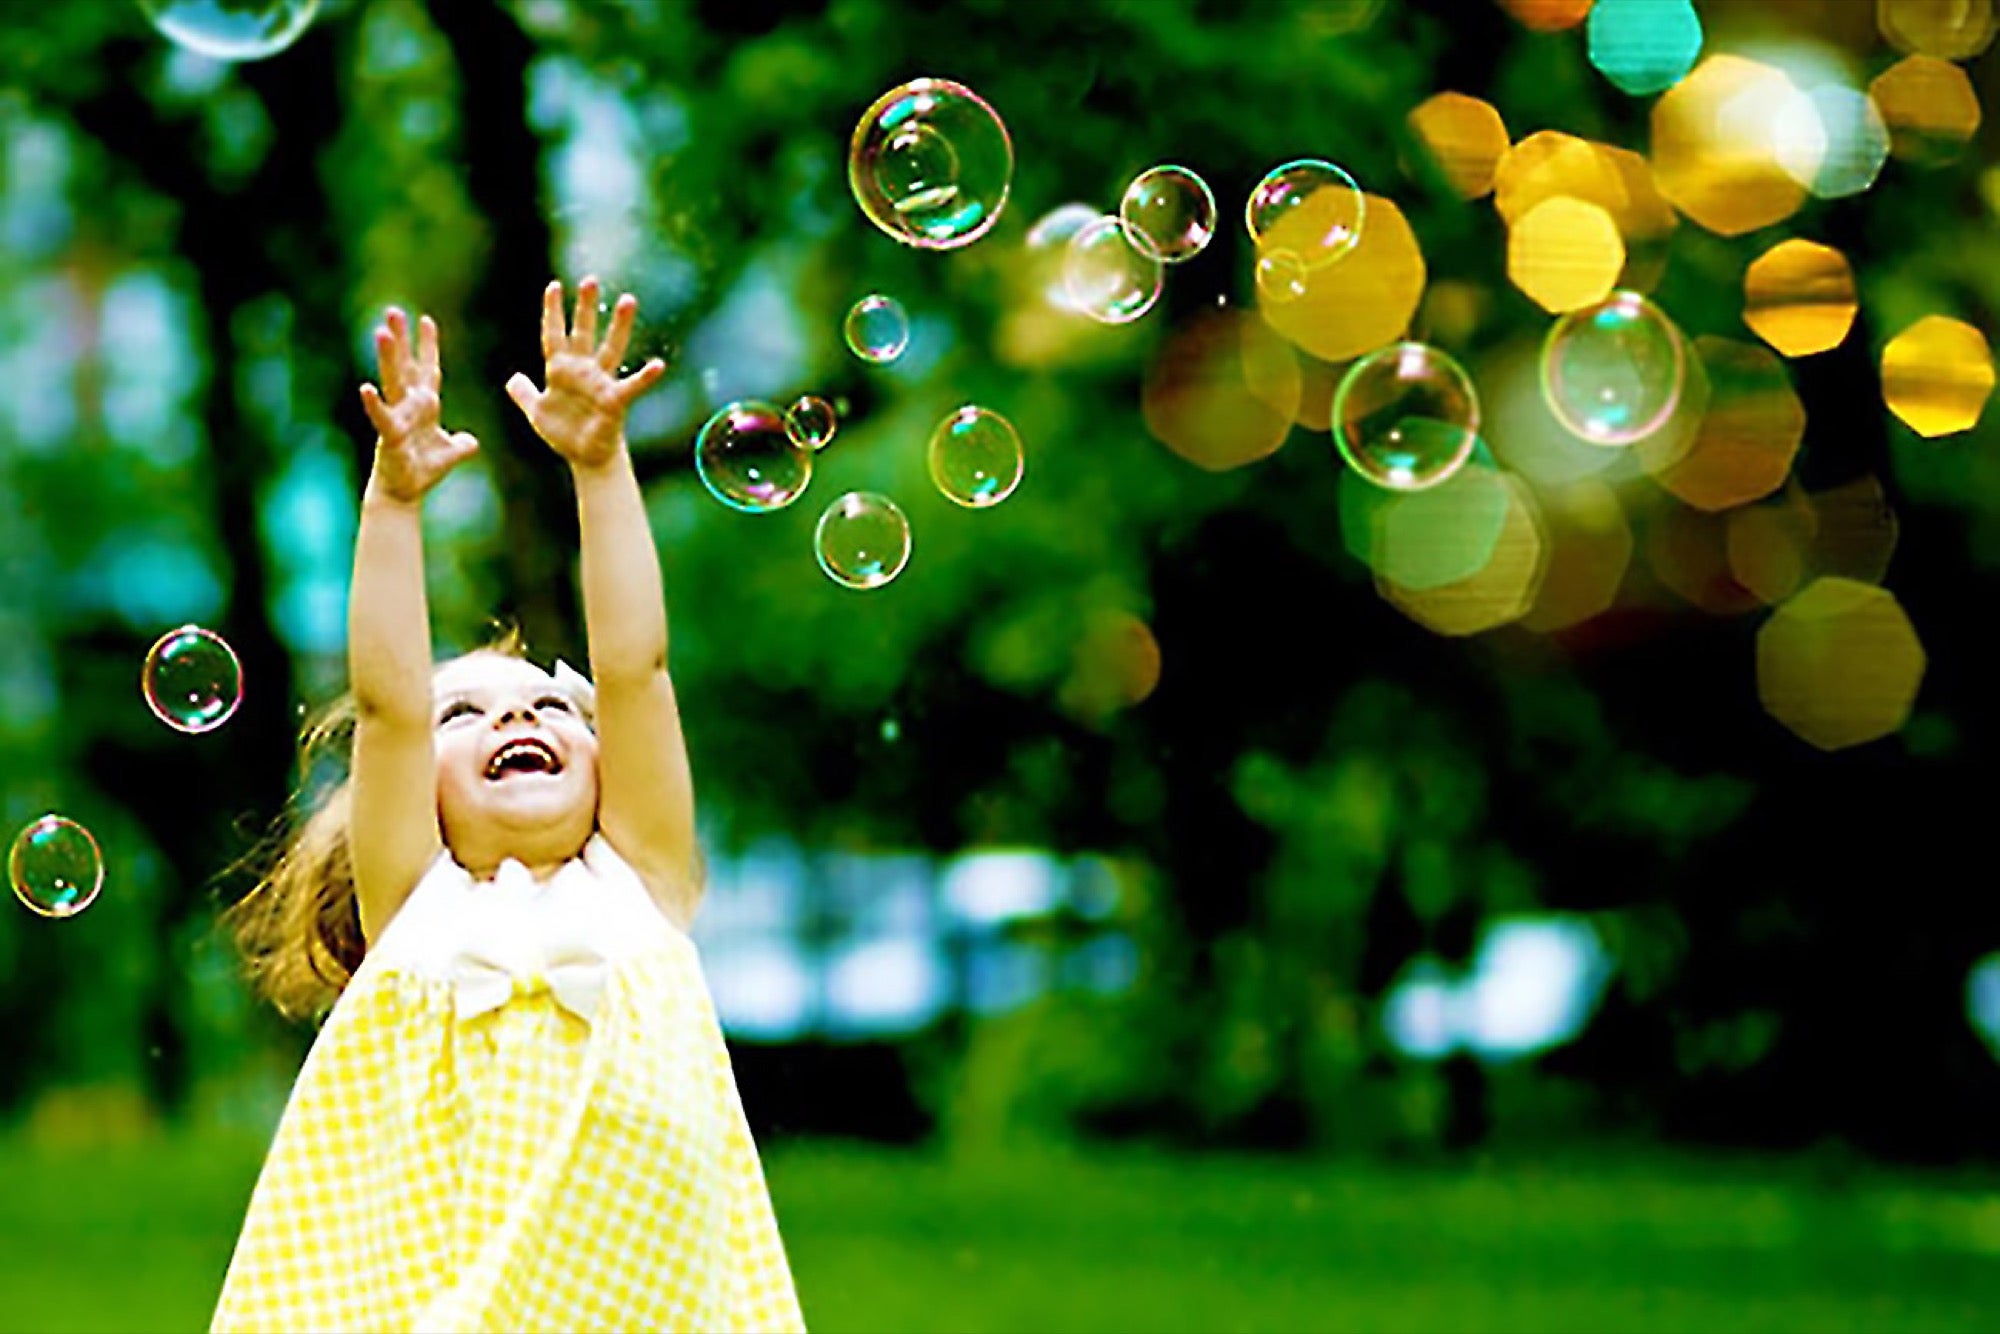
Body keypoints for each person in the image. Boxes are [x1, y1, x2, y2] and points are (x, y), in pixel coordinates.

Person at [210, 279, 805, 1333]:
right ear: (406, 790)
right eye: (468, 712)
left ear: (598, 754)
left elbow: (634, 667)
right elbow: (389, 700)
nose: (515, 715)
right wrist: (393, 500)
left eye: (542, 703)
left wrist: (600, 463)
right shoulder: (419, 903)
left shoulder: (642, 875)